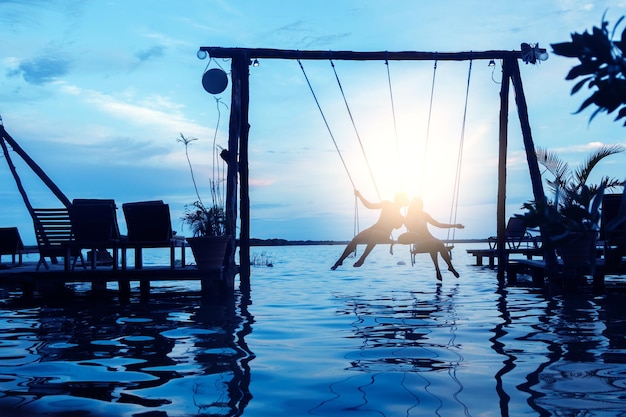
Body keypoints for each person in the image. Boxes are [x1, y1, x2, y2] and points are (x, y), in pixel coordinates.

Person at [331, 190, 408, 270]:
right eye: (398, 199)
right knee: (355, 239)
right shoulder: (387, 204)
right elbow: (369, 205)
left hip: (384, 234)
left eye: (401, 200)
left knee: (375, 234)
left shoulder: (400, 217)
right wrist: (359, 195)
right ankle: (339, 261)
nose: (399, 201)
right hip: (375, 227)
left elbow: (398, 226)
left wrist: (404, 222)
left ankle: (362, 258)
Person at [398, 197, 464, 281]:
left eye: (420, 205)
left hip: (430, 238)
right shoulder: (408, 217)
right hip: (418, 241)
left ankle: (450, 267)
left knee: (439, 243)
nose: (419, 207)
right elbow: (409, 231)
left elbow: (438, 225)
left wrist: (454, 226)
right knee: (432, 243)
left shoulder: (424, 214)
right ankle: (437, 269)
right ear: (413, 206)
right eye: (417, 205)